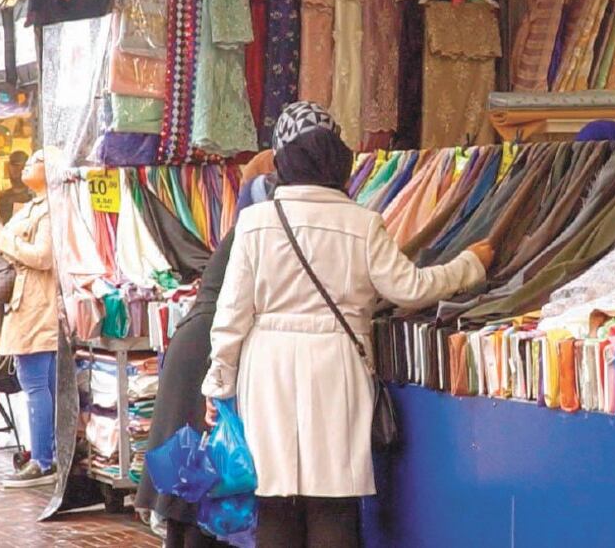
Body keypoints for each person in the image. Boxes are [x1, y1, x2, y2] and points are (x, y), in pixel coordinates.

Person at [202, 102, 494, 548]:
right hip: (336, 366)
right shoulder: (361, 223)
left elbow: (232, 313)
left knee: (275, 497)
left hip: (268, 370)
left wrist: (219, 382)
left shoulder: (255, 223)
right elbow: (411, 288)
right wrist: (470, 264)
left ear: (282, 159)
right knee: (334, 499)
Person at [136, 156, 276, 548]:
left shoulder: (245, 227)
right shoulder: (258, 230)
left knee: (194, 481)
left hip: (196, 345)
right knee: (208, 477)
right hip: (207, 349)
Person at [0, 151, 58, 487]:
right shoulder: (34, 206)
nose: (28, 163)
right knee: (43, 384)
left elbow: (43, 257)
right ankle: (48, 455)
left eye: (37, 159)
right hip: (29, 304)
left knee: (35, 382)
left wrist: (1, 236)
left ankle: (43, 460)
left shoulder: (50, 209)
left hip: (35, 307)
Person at [0, 151, 35, 224]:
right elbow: (2, 221)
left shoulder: (34, 194)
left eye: (19, 166)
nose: (15, 170)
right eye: (13, 165)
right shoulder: (4, 197)